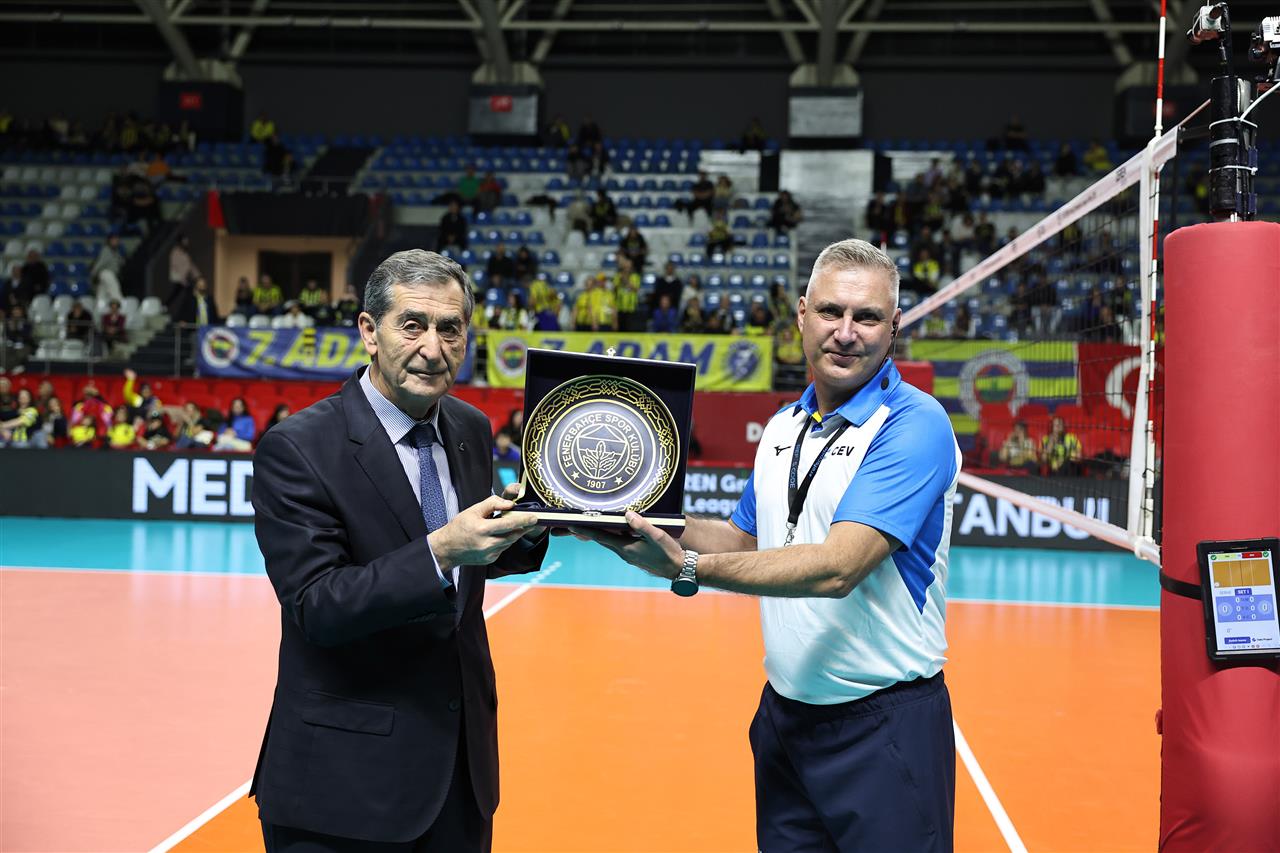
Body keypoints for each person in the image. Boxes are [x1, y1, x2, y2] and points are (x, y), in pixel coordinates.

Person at [572, 238, 961, 853]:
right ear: (802, 314)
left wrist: (688, 567)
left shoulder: (916, 424)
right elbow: (741, 538)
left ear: (894, 327)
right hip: (785, 719)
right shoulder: (784, 425)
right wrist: (622, 514)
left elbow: (838, 567)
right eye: (830, 311)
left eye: (866, 317)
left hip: (885, 727)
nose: (846, 332)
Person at [250, 249, 548, 852]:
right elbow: (318, 605)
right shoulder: (298, 448)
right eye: (412, 325)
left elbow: (476, 557)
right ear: (369, 331)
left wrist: (535, 522)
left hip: (460, 775)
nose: (433, 349)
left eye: (450, 329)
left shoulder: (467, 427)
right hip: (343, 788)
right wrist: (442, 550)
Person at [89, 234, 126, 304]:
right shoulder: (106, 250)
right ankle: (121, 305)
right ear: (109, 241)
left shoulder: (115, 252)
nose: (116, 242)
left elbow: (120, 262)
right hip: (106, 273)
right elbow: (100, 264)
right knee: (115, 290)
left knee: (102, 294)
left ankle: (99, 307)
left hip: (109, 274)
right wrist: (93, 274)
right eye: (114, 240)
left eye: (117, 240)